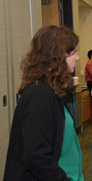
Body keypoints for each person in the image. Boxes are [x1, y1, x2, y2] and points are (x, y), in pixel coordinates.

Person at [4, 25, 84, 181]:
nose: (77, 57)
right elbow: (37, 158)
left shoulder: (53, 92)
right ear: (56, 57)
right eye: (73, 52)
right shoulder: (37, 95)